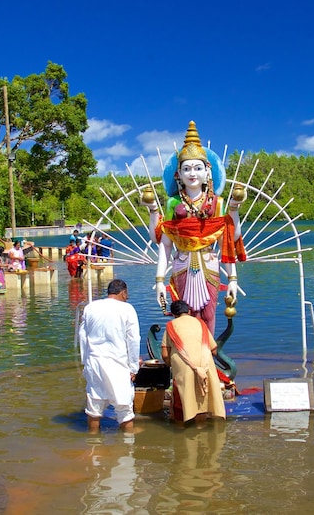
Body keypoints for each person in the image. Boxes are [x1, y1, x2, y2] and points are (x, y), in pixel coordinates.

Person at [146, 121, 248, 335]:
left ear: (207, 172)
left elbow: (228, 240)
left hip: (209, 264)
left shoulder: (217, 204)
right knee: (186, 314)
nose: (192, 173)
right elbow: (164, 246)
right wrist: (159, 281)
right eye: (186, 168)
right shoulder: (173, 204)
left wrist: (232, 278)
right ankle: (187, 357)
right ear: (178, 175)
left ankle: (207, 357)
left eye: (198, 168)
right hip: (182, 263)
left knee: (209, 314)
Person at [78, 279, 141, 433]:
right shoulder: (127, 309)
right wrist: (134, 367)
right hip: (117, 363)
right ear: (123, 292)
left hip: (94, 361)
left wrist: (85, 362)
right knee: (124, 408)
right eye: (127, 294)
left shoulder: (91, 307)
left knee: (94, 406)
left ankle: (93, 444)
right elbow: (133, 340)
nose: (127, 297)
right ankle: (127, 448)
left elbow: (82, 336)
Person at [161, 300, 227, 425]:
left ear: (174, 314)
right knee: (205, 393)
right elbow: (213, 349)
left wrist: (170, 363)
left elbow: (165, 354)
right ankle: (201, 425)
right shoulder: (200, 323)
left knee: (181, 393)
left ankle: (181, 426)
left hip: (184, 364)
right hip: (205, 362)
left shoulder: (171, 326)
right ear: (189, 311)